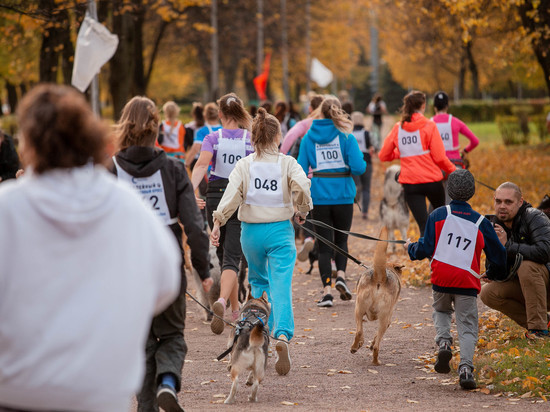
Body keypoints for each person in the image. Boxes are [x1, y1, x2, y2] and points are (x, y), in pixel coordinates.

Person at [0, 84, 182, 411]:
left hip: (17, 389)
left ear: (27, 145)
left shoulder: (8, 208)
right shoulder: (127, 207)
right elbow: (165, 283)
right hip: (99, 394)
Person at [111, 96, 212, 412]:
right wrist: (203, 270)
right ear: (156, 129)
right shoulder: (173, 169)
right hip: (166, 268)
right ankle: (168, 383)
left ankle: (146, 406)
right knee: (171, 336)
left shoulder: (108, 170)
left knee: (141, 341)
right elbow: (194, 226)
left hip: (127, 273)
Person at [211, 107, 312, 375]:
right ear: (277, 136)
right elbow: (302, 186)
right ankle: (281, 335)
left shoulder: (245, 165)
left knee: (257, 283)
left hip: (251, 233)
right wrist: (302, 209)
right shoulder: (287, 163)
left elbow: (231, 195)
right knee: (281, 285)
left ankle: (255, 331)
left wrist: (218, 220)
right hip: (280, 230)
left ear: (253, 137)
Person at [405, 169, 507, 390]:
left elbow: (426, 247)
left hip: (441, 277)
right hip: (467, 281)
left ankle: (443, 342)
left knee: (441, 311)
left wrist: (410, 249)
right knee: (467, 325)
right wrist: (495, 266)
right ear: (472, 192)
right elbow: (498, 257)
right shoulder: (481, 222)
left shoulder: (438, 215)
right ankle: (466, 369)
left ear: (448, 191)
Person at [191, 92, 254, 335]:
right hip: (239, 196)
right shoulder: (249, 140)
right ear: (240, 112)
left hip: (215, 197)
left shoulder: (212, 138)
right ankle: (223, 303)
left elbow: (200, 166)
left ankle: (235, 311)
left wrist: (192, 190)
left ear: (220, 114)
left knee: (223, 253)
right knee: (233, 257)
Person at [298, 96, 366, 307]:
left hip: (319, 196)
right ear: (338, 112)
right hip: (344, 195)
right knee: (342, 240)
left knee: (324, 245)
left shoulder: (309, 137)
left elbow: (300, 168)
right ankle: (342, 277)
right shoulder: (347, 137)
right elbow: (359, 168)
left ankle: (327, 292)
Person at [378, 90, 456, 236]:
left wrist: (403, 153)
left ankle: (430, 256)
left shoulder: (398, 128)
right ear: (423, 105)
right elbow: (439, 157)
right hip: (432, 181)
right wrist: (454, 170)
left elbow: (383, 155)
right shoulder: (429, 126)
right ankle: (443, 253)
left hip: (411, 184)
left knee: (424, 226)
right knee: (441, 221)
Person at [480, 182, 550, 339]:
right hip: (526, 287)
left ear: (520, 202)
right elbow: (500, 267)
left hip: (545, 284)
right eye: (498, 201)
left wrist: (508, 246)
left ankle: (539, 331)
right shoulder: (494, 224)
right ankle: (545, 324)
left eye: (508, 202)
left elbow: (545, 252)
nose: (502, 206)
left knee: (526, 266)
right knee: (488, 293)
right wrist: (493, 271)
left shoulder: (535, 217)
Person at [432, 91, 479, 202]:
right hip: (454, 165)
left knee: (436, 201)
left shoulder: (429, 123)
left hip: (436, 167)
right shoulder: (455, 122)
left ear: (434, 107)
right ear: (447, 106)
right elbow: (475, 141)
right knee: (451, 201)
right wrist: (464, 151)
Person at [351, 111, 374, 220]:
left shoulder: (349, 134)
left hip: (354, 162)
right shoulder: (366, 133)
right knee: (367, 188)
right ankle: (365, 212)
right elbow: (371, 147)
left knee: (355, 186)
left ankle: (351, 205)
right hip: (367, 161)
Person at [185, 102, 222, 170]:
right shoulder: (224, 130)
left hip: (205, 168)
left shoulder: (202, 131)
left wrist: (186, 164)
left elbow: (195, 148)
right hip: (220, 167)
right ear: (218, 115)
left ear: (204, 115)